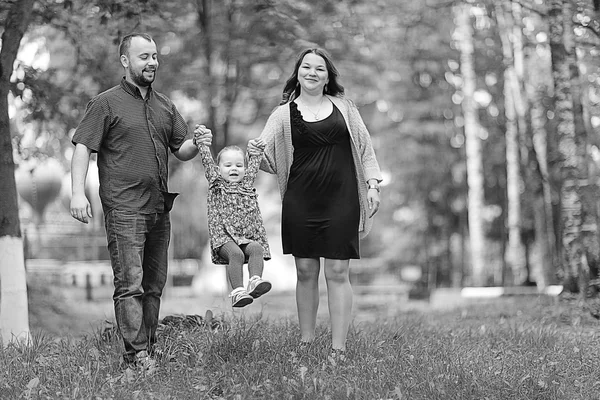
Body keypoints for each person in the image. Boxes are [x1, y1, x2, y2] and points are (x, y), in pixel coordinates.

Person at [69, 32, 212, 373]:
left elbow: (181, 150)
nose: (152, 62)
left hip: (159, 208)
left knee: (153, 285)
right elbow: (82, 149)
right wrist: (77, 193)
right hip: (124, 208)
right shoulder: (105, 103)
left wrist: (199, 141)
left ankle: (147, 349)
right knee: (129, 285)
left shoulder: (165, 106)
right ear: (125, 61)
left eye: (154, 56)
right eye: (144, 56)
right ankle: (136, 357)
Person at [249, 48, 382, 353]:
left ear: (327, 77)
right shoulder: (282, 114)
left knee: (337, 272)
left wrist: (373, 185)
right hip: (301, 200)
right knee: (306, 271)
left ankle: (339, 348)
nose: (312, 72)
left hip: (343, 198)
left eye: (319, 69)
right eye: (306, 67)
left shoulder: (346, 108)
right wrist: (255, 152)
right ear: (297, 73)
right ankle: (306, 343)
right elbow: (266, 158)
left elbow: (365, 150)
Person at [196, 139, 272, 308]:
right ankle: (238, 291)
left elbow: (254, 164)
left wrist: (258, 150)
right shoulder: (217, 185)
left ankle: (254, 281)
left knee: (256, 248)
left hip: (244, 237)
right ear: (218, 169)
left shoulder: (246, 185)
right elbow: (207, 161)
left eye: (239, 165)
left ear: (244, 170)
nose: (234, 169)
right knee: (236, 254)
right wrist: (202, 143)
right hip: (224, 239)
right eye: (228, 165)